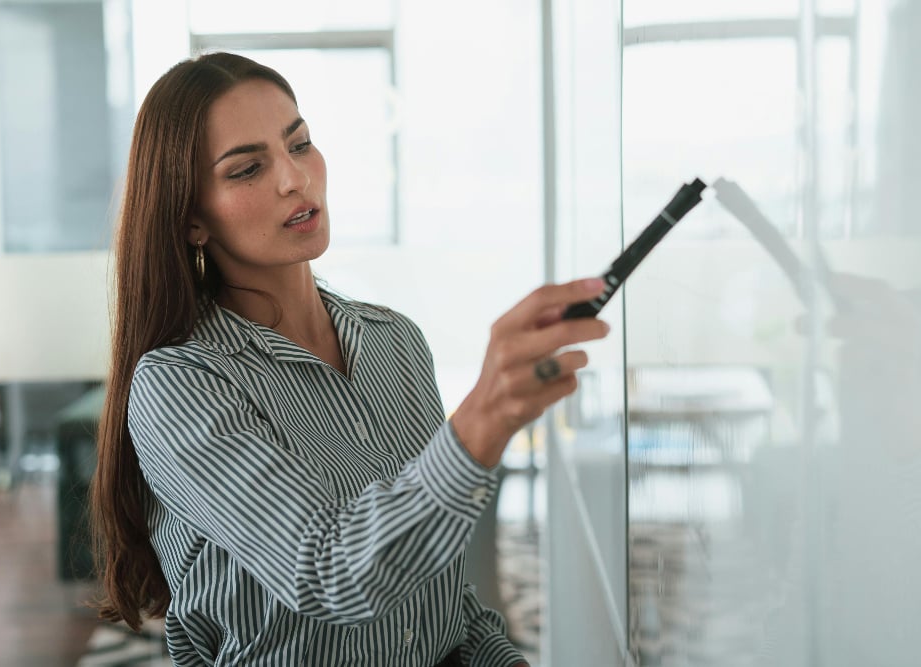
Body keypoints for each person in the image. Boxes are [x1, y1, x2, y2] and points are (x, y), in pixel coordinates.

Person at [89, 51, 610, 666]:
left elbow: (439, 588)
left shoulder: (396, 341)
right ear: (193, 219)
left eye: (300, 143)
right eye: (248, 168)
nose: (294, 178)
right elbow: (327, 572)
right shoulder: (178, 386)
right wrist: (483, 421)